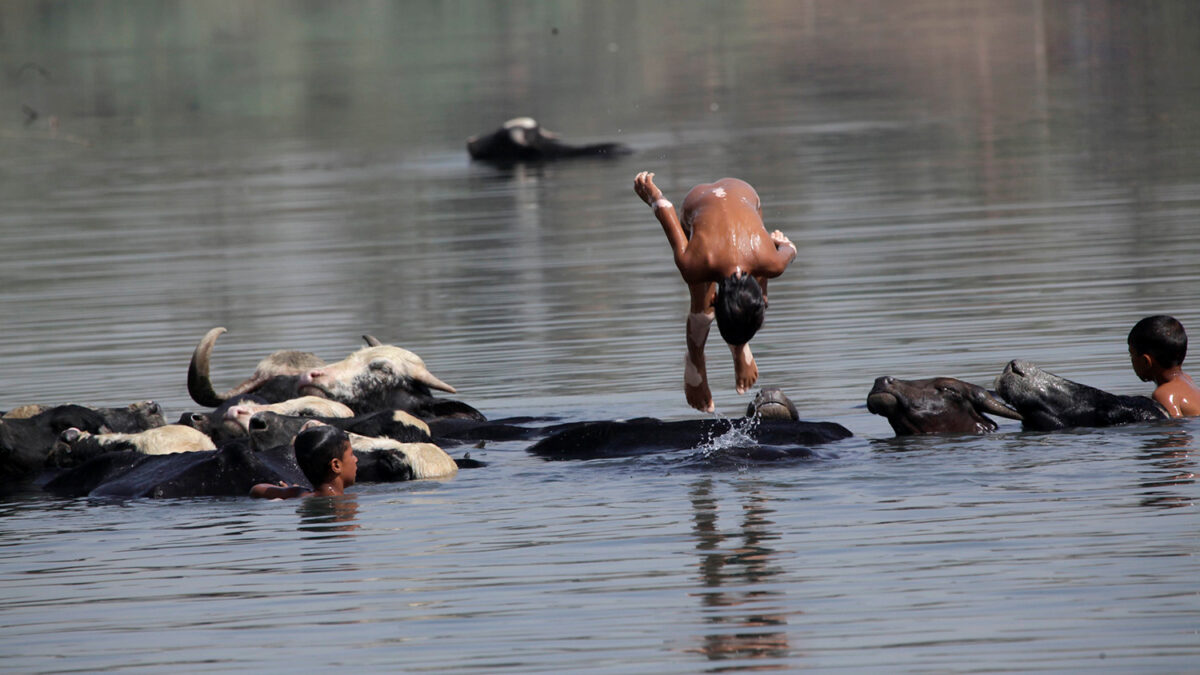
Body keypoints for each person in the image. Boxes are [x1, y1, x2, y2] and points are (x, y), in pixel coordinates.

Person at [634, 171, 797, 412]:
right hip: (697, 203)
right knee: (702, 312)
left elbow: (790, 248)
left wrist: (779, 243)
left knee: (757, 299)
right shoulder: (696, 265)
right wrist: (652, 196)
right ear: (715, 297)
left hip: (745, 196)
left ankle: (739, 345)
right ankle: (696, 359)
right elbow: (667, 213)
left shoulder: (773, 262)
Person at [250, 424, 358, 499]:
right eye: (352, 454)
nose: (356, 459)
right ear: (336, 465)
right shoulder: (346, 504)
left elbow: (256, 489)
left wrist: (290, 491)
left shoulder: (300, 494)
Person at [1128, 315, 1200, 418]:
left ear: (1146, 361)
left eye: (1131, 354)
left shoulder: (1164, 394)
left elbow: (1175, 428)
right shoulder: (1187, 380)